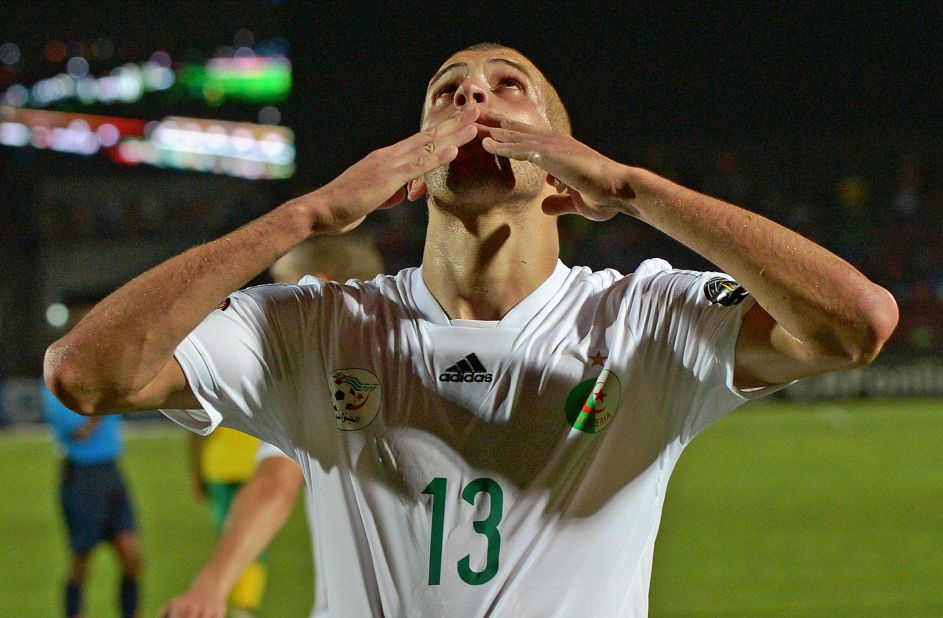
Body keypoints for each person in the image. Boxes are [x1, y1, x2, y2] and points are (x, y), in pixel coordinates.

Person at [45, 43, 899, 616]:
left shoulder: (643, 317)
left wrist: (631, 186)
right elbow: (86, 374)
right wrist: (300, 216)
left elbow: (854, 324)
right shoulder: (316, 327)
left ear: (562, 176)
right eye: (448, 91)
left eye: (506, 86)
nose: (471, 97)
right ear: (413, 172)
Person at [162, 234, 385, 618]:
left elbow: (275, 485)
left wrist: (210, 588)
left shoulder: (326, 382)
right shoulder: (438, 358)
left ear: (319, 287)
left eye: (283, 292)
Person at [41, 294, 142, 618]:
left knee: (132, 557)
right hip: (81, 478)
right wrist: (107, 399)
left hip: (111, 473)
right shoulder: (56, 381)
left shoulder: (106, 376)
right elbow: (80, 431)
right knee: (81, 561)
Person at [188, 427, 264, 617]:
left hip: (221, 466)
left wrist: (196, 470)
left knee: (230, 537)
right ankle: (244, 603)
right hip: (250, 466)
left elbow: (196, 431)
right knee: (253, 537)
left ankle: (239, 602)